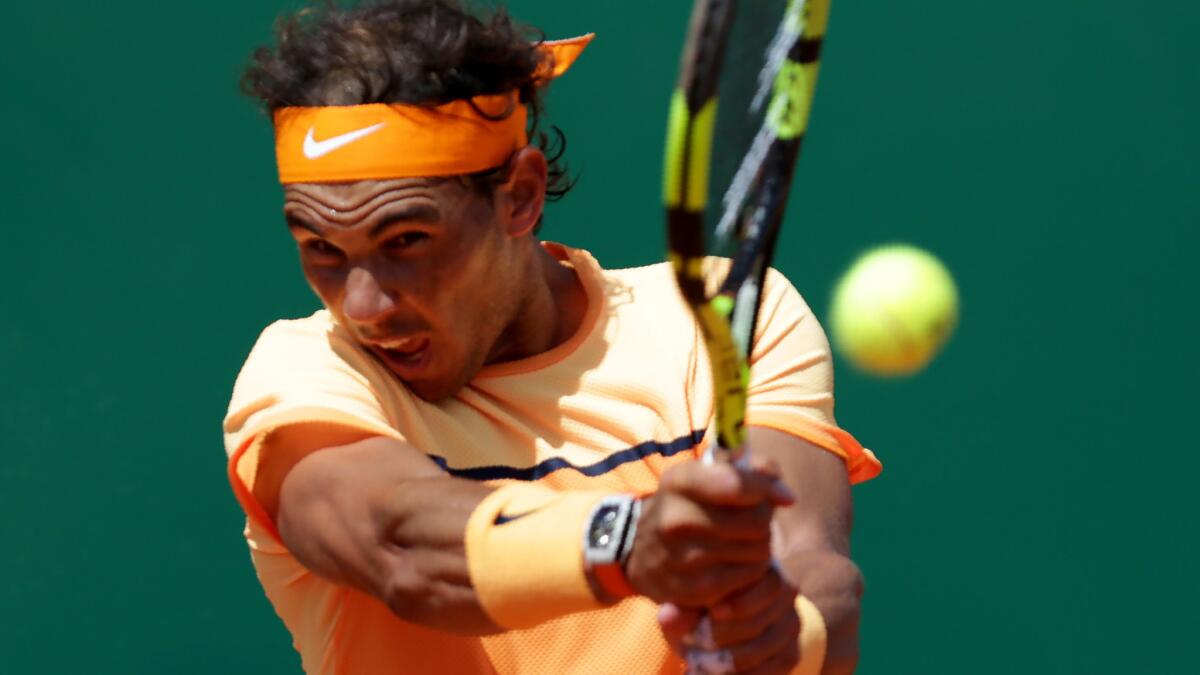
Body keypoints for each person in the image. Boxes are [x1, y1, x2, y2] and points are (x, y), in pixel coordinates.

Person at [223, 1, 881, 673]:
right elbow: (403, 548)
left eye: (406, 240)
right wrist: (627, 540)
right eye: (321, 248)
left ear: (520, 197)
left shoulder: (720, 321)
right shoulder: (307, 372)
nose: (362, 305)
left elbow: (815, 571)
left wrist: (778, 633)